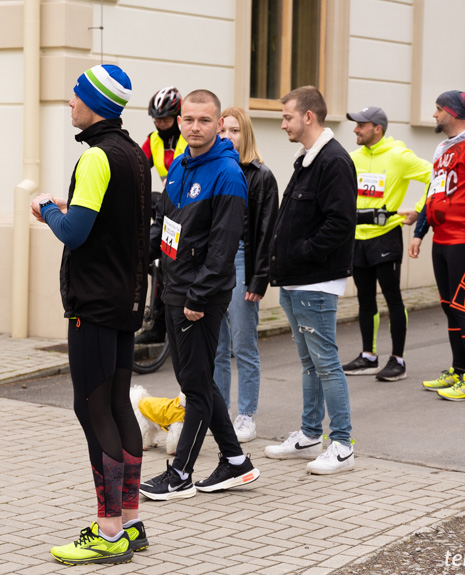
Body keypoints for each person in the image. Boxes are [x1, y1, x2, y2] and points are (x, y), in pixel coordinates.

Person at [31, 64, 151, 566]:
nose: (70, 104)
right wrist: (71, 205)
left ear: (95, 104)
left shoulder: (98, 157)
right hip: (124, 299)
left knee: (93, 408)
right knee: (119, 406)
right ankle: (130, 523)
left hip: (95, 304)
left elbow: (76, 233)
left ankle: (107, 533)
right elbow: (109, 217)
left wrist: (48, 210)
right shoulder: (132, 154)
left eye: (75, 96)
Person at [140, 90, 260, 501]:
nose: (194, 127)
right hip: (175, 288)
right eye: (188, 119)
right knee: (199, 379)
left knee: (194, 385)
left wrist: (198, 297)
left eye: (204, 120)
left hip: (198, 297)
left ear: (217, 122)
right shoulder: (180, 166)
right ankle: (236, 462)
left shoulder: (227, 174)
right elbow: (166, 223)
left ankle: (180, 474)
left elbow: (223, 247)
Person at [264, 86, 357, 475]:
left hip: (315, 283)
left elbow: (339, 224)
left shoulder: (333, 161)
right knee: (309, 363)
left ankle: (342, 444)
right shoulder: (308, 159)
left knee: (325, 363)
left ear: (308, 117)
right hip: (296, 281)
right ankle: (308, 434)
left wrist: (300, 253)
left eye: (287, 117)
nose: (283, 123)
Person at [409, 90, 465, 402]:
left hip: (463, 241)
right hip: (442, 239)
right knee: (449, 307)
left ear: (453, 112)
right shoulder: (443, 148)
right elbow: (434, 190)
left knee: (462, 307)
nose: (434, 115)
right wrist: (420, 231)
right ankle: (459, 370)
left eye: (438, 109)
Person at [340, 107, 432, 382]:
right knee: (364, 299)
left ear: (377, 128)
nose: (355, 130)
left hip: (386, 236)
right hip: (358, 237)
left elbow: (436, 176)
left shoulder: (399, 156)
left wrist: (418, 210)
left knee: (393, 299)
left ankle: (398, 360)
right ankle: (368, 356)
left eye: (360, 125)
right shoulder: (353, 158)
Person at [213, 107, 278, 443]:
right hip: (213, 262)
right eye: (223, 131)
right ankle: (219, 412)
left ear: (246, 135)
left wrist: (258, 278)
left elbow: (267, 231)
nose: (227, 138)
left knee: (243, 344)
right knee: (217, 347)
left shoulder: (260, 175)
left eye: (234, 131)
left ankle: (246, 416)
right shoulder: (213, 170)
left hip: (241, 259)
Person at [136, 86, 187, 345]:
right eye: (156, 119)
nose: (160, 124)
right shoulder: (153, 140)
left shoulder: (188, 138)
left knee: (175, 264)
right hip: (167, 208)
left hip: (188, 209)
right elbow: (138, 167)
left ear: (177, 117)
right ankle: (157, 327)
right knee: (157, 263)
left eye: (165, 119)